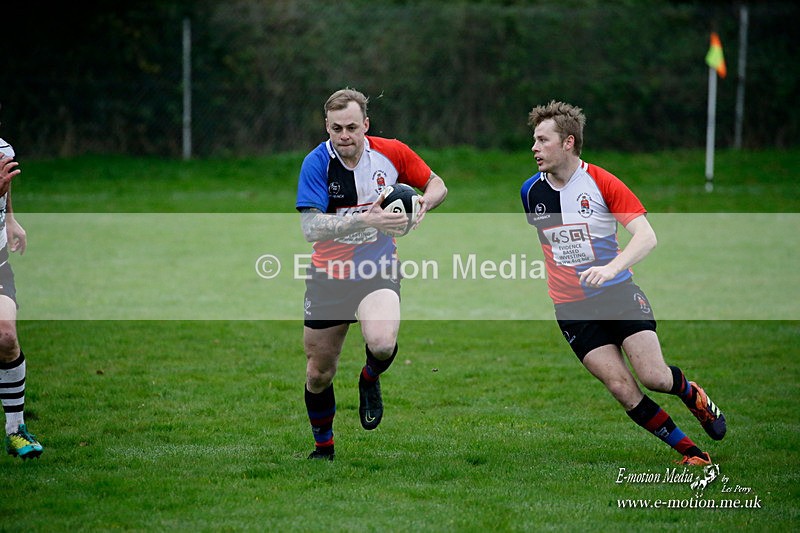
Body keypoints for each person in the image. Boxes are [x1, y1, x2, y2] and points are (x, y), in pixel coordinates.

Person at [520, 101, 725, 465]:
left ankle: (694, 396)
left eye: (542, 140)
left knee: (654, 377)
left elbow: (646, 236)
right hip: (572, 308)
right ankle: (691, 452)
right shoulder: (530, 192)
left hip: (618, 294)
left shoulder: (601, 182)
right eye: (534, 140)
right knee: (621, 388)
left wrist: (612, 269)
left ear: (568, 142)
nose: (534, 147)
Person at [296, 88, 447, 460]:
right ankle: (324, 447)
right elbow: (311, 227)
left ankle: (369, 378)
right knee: (319, 373)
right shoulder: (317, 163)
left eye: (351, 127)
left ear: (366, 124)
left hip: (376, 267)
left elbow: (437, 183)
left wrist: (423, 203)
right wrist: (366, 218)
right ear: (326, 127)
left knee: (381, 343)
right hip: (328, 274)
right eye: (336, 129)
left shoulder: (390, 152)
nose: (344, 136)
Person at [0, 136, 42, 460]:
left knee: (6, 336)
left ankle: (15, 430)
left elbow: (4, 195)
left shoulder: (3, 150)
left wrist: (10, 218)